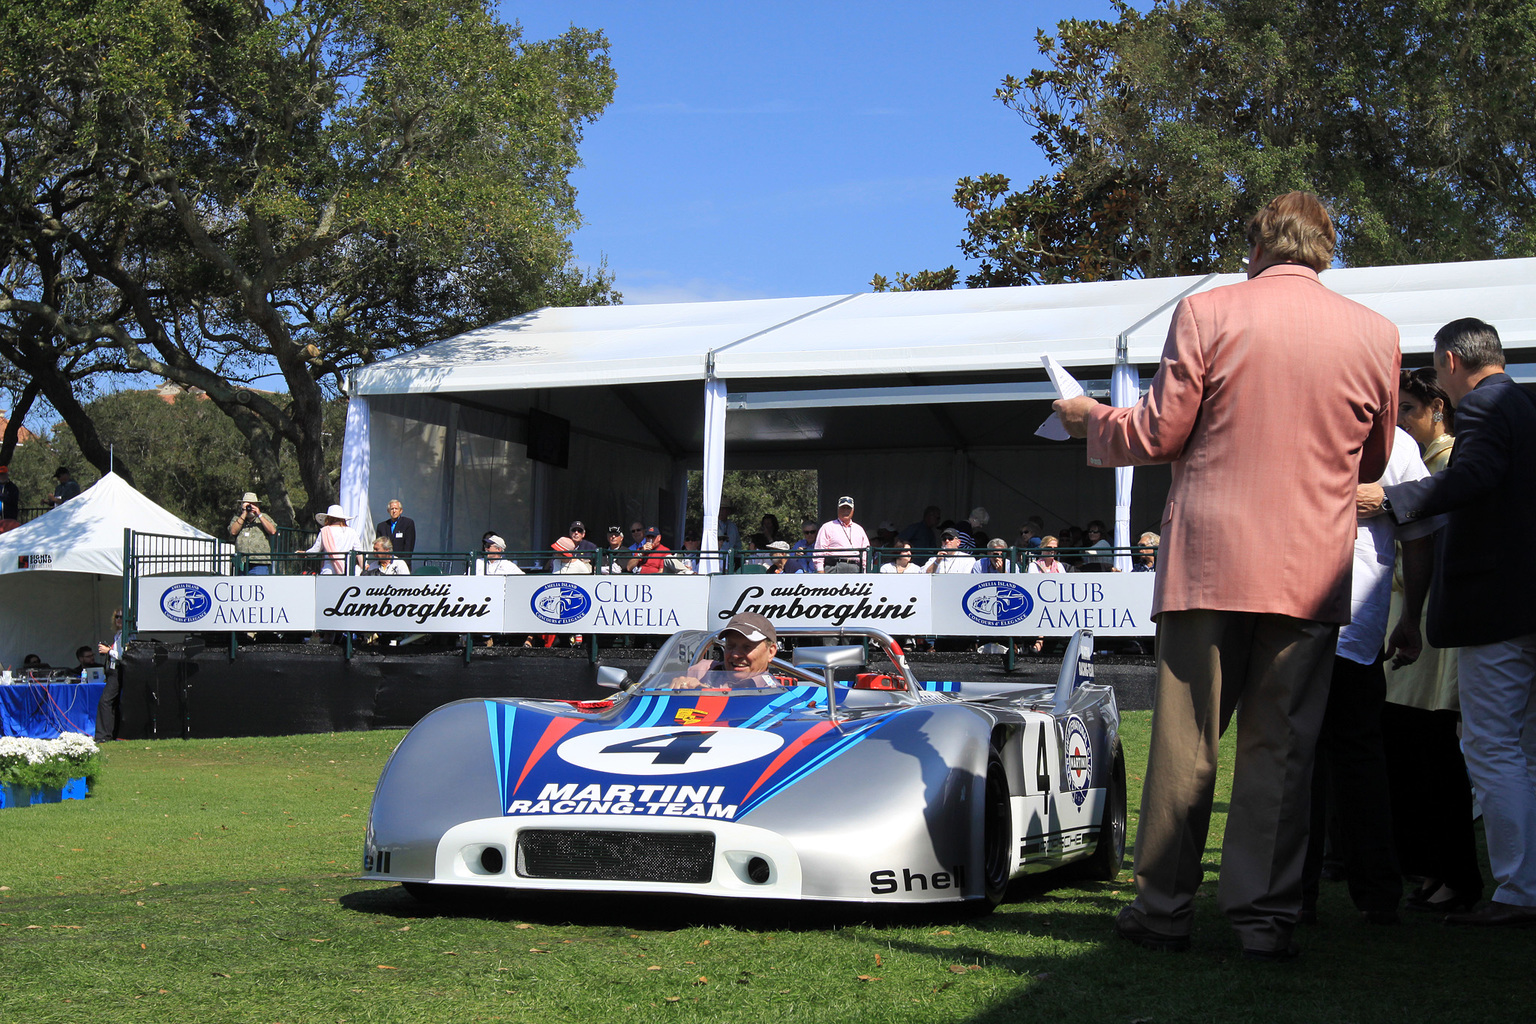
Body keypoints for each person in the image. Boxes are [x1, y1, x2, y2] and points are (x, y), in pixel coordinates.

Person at [1055, 191, 1399, 959]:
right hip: (1311, 564)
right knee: (1282, 749)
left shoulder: (1208, 313)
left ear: (1256, 245)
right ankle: (1262, 920)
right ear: (1326, 248)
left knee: (1186, 745)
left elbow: (1158, 430)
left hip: (1209, 560)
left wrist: (1089, 418)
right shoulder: (1376, 333)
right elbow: (1372, 460)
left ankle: (1164, 911)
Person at [1361, 317, 1536, 926]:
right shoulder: (1523, 405)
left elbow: (1474, 478)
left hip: (1496, 610)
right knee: (1524, 751)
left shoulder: (1486, 408)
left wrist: (1392, 499)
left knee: (1491, 748)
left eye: (1437, 370)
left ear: (1453, 363)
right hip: (1522, 604)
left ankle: (1518, 892)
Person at [1300, 427, 1437, 926]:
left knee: (1305, 757)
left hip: (1316, 620)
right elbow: (1420, 536)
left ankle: (1303, 894)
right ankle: (1374, 894)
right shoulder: (1396, 439)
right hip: (1350, 620)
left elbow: (1420, 530)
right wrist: (1409, 617)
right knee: (1354, 758)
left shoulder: (1391, 441)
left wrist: (1408, 617)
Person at [1377, 367, 1483, 913]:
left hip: (1427, 634)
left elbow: (1429, 556)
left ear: (1438, 408)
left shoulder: (1445, 466)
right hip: (1413, 628)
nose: (1404, 423)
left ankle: (1453, 875)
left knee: (1436, 760)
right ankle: (1434, 869)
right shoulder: (1427, 466)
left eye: (1411, 411)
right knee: (1420, 760)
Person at [670, 613, 781, 690]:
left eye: (747, 647)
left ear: (771, 652)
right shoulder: (702, 670)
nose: (735, 654)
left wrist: (704, 690)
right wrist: (679, 687)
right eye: (730, 646)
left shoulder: (775, 695)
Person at [814, 496, 871, 572]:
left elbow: (865, 553)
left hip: (856, 568)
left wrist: (865, 571)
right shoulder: (827, 527)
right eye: (843, 508)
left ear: (853, 510)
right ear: (838, 509)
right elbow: (819, 550)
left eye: (848, 508)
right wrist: (820, 570)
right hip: (834, 567)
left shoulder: (859, 529)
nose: (845, 511)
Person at [228, 491, 278, 574]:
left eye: (252, 504)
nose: (250, 507)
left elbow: (272, 531)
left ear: (257, 505)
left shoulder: (264, 517)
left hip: (259, 562)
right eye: (247, 504)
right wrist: (244, 513)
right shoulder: (237, 518)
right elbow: (233, 531)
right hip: (242, 562)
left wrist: (259, 515)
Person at [306, 505, 364, 575]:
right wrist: (364, 566)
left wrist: (305, 553)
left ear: (328, 518)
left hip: (329, 569)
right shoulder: (352, 531)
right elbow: (359, 552)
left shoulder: (325, 531)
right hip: (348, 569)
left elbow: (315, 551)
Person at [94, 609, 123, 741]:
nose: (118, 619)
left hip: (118, 670)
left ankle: (103, 736)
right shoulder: (118, 634)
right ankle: (111, 734)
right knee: (111, 703)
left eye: (122, 617)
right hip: (112, 670)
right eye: (117, 617)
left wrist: (109, 651)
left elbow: (123, 655)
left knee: (105, 702)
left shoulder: (125, 635)